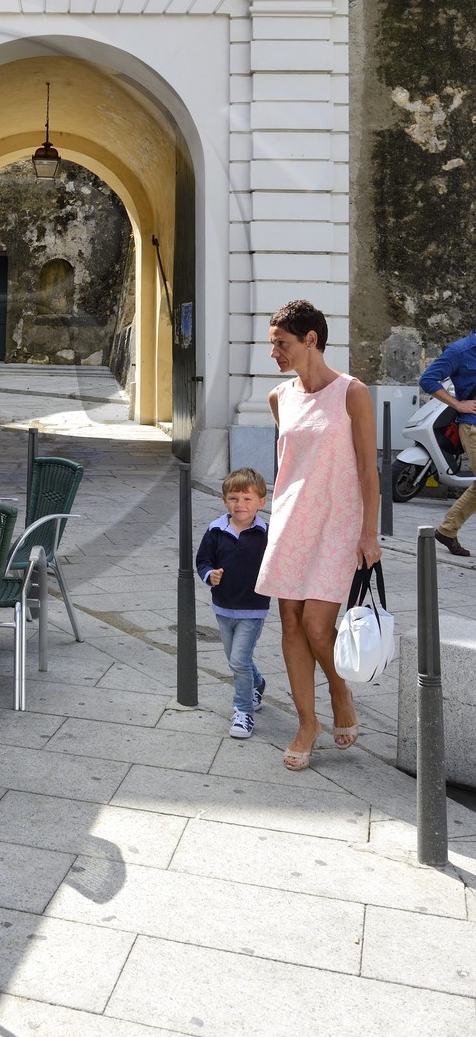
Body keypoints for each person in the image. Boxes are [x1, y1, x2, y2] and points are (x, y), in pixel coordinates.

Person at [255, 299, 379, 771]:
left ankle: (339, 688)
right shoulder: (278, 398)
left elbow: (368, 469)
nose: (276, 354)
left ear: (311, 340)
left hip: (338, 523)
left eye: (281, 344)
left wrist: (369, 532)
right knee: (289, 624)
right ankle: (307, 724)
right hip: (291, 522)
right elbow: (292, 465)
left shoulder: (352, 393)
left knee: (316, 626)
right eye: (273, 345)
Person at [196, 467, 271, 741]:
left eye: (247, 499)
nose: (240, 505)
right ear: (225, 500)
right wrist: (209, 575)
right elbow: (202, 560)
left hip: (253, 609)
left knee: (238, 660)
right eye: (234, 498)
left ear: (261, 502)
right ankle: (258, 683)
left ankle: (243, 711)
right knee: (236, 659)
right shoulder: (216, 530)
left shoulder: (266, 534)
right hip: (223, 607)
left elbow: (276, 565)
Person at [418, 323, 476, 557]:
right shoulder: (459, 351)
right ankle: (447, 531)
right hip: (473, 426)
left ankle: (447, 531)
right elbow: (428, 379)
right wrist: (458, 404)